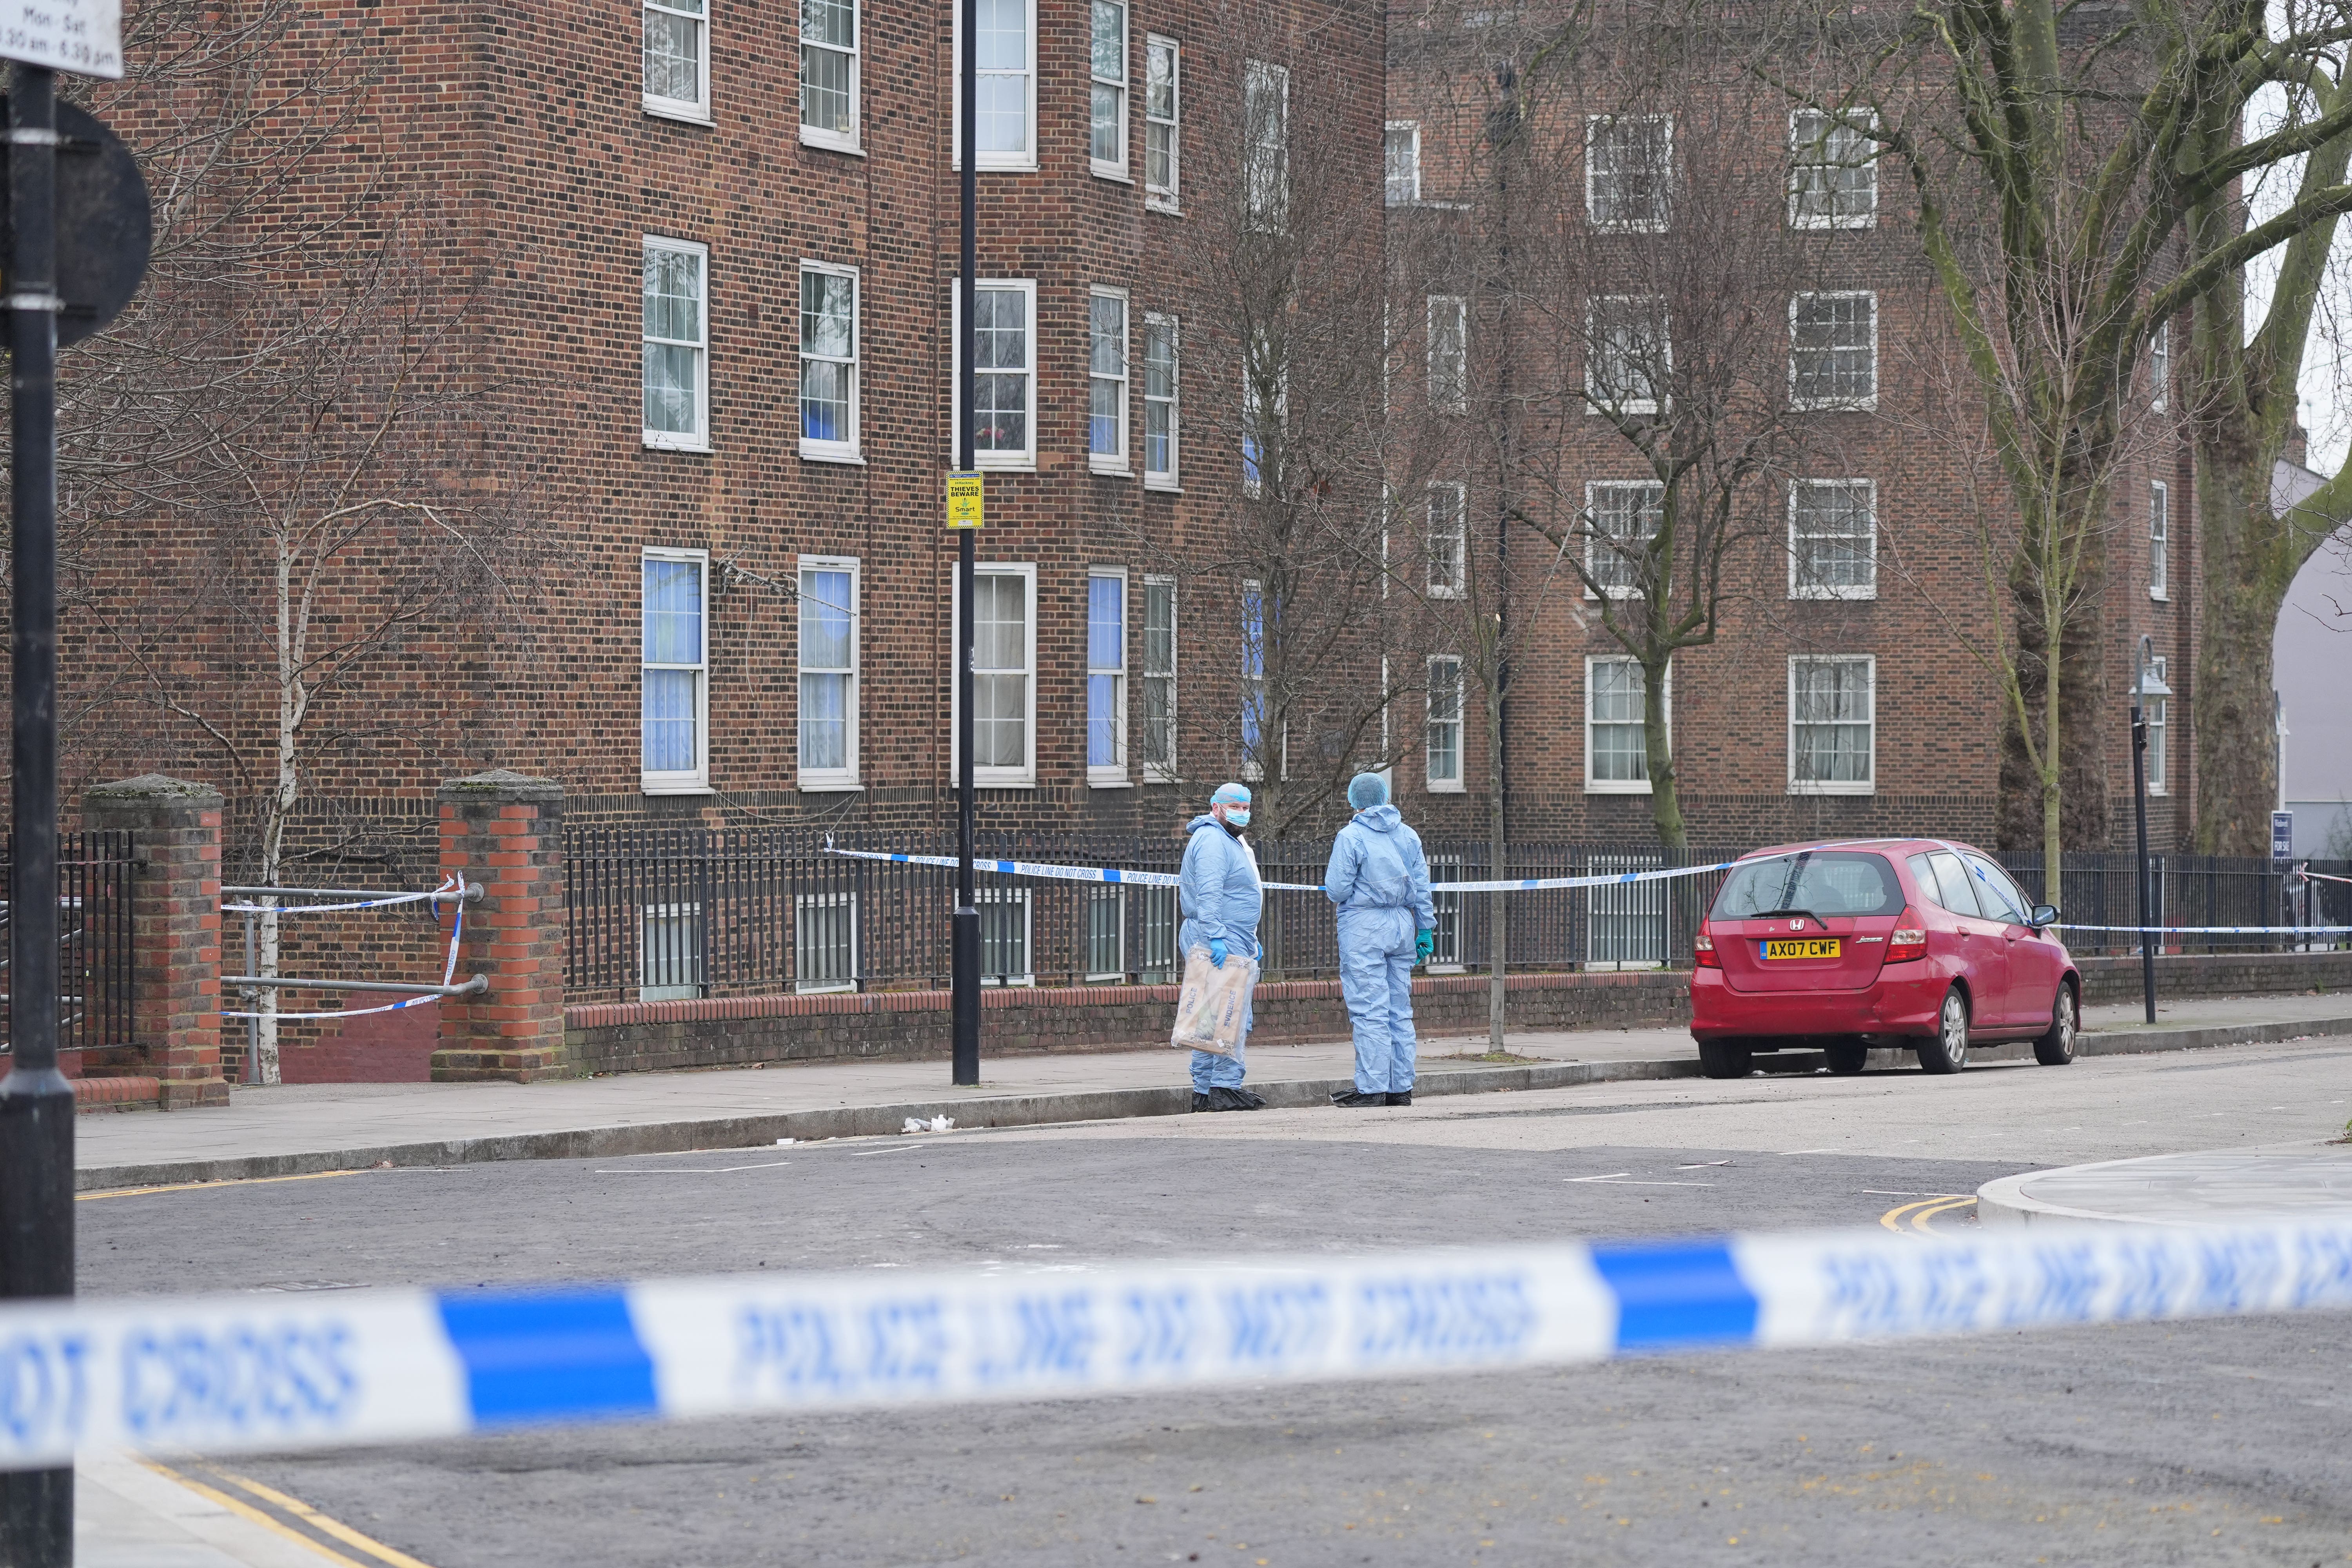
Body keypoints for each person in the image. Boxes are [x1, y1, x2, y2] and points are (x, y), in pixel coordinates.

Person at [1324, 771, 1436, 1107]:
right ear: (1385, 797)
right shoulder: (1408, 835)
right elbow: (1422, 887)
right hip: (1403, 924)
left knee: (1369, 1009)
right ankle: (1400, 1088)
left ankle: (1371, 1087)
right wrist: (1425, 927)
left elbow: (1337, 889)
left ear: (1353, 800)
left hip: (1364, 926)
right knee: (1399, 1010)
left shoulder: (1351, 836)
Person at [1179, 782, 1267, 1112]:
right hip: (1220, 937)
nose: (1242, 813)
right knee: (1231, 1015)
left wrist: (1251, 939)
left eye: (1246, 807)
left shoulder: (1227, 839)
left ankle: (1204, 1091)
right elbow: (1210, 893)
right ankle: (1226, 1087)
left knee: (1209, 1017)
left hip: (1231, 936)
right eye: (1235, 807)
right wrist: (1217, 936)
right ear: (1216, 807)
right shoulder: (1214, 841)